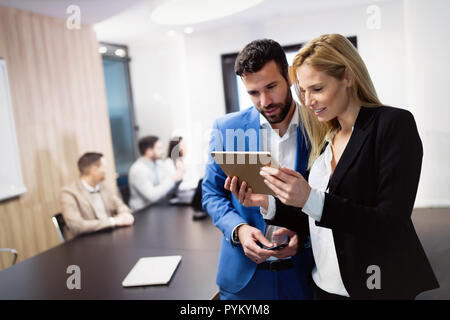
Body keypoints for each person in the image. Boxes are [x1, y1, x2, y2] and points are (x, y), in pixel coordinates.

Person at [237, 34, 439, 299]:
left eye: (317, 89)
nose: (308, 102)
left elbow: (390, 221)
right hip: (324, 284)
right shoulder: (327, 136)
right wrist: (267, 202)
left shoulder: (392, 124)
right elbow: (318, 211)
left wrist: (309, 197)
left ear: (347, 76)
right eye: (303, 91)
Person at [202, 39, 313, 300]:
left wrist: (304, 234)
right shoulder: (227, 129)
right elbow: (211, 194)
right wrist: (238, 229)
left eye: (271, 87)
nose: (265, 101)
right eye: (253, 93)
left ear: (289, 76)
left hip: (305, 274)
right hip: (244, 279)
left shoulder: (321, 125)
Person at [60, 152, 134, 239]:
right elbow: (77, 226)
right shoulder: (68, 193)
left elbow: (120, 205)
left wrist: (124, 215)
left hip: (111, 236)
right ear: (94, 170)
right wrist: (113, 221)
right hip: (86, 242)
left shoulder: (103, 186)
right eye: (104, 167)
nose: (106, 171)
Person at [128, 136, 184, 211]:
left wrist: (179, 176)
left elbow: (168, 190)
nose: (163, 151)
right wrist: (172, 179)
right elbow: (152, 196)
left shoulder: (159, 164)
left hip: (158, 207)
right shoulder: (138, 170)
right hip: (142, 212)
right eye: (159, 148)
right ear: (149, 151)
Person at [165, 136, 207, 219]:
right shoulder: (168, 163)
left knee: (205, 183)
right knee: (202, 183)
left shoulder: (186, 161)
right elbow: (176, 186)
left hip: (192, 192)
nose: (185, 147)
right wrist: (195, 184)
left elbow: (196, 178)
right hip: (182, 196)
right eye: (182, 145)